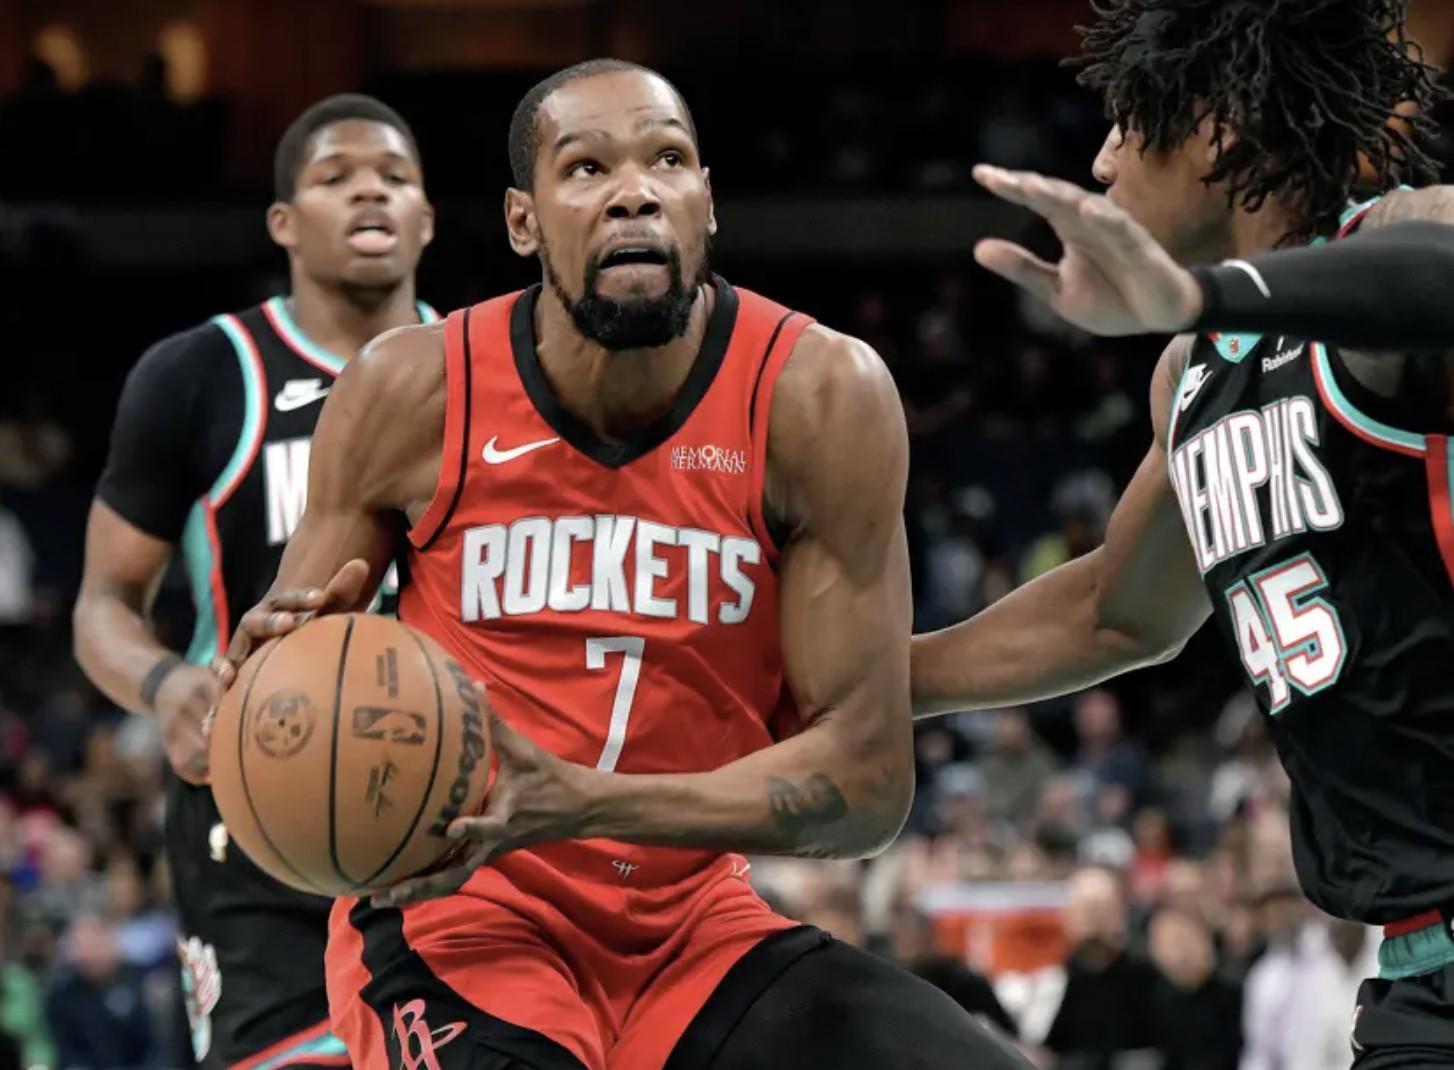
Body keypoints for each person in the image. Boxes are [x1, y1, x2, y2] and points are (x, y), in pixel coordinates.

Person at [218, 58, 1027, 1070]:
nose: (634, 190)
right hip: (460, 913)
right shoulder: (410, 392)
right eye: (587, 167)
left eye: (667, 159)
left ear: (707, 202)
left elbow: (862, 784)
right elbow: (292, 679)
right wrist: (268, 688)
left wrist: (582, 799)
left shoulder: (817, 396)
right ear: (522, 221)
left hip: (695, 928)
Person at [911, 0, 1454, 1065]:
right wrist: (867, 681)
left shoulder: (1403, 232)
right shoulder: (1191, 376)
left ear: (1215, 129)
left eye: (1126, 122)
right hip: (1411, 970)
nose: (1103, 162)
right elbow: (1114, 611)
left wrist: (1201, 291)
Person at [72, 93, 437, 1069]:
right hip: (255, 802)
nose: (369, 191)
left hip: (441, 808)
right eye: (335, 176)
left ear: (428, 219)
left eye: (395, 177)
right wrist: (164, 685)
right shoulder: (200, 374)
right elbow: (103, 604)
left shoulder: (490, 374)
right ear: (283, 221)